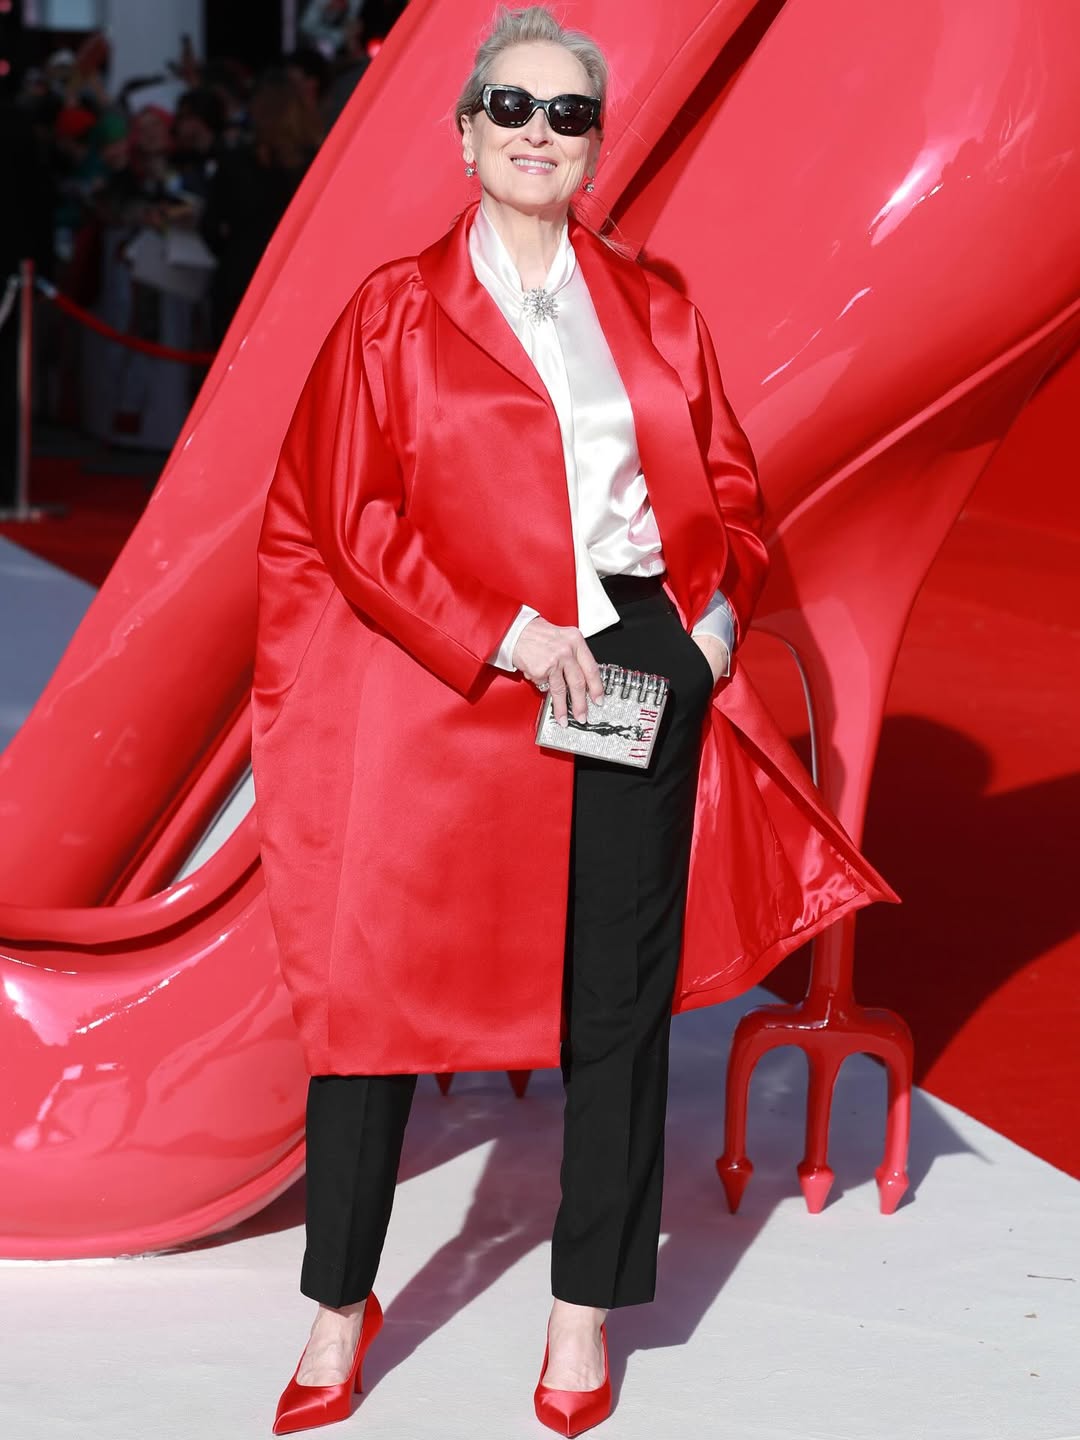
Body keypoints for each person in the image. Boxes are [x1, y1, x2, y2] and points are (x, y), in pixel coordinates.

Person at [251, 6, 897, 1435]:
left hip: (630, 666)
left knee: (616, 998)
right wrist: (507, 634)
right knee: (376, 997)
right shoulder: (392, 311)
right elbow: (350, 517)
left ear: (596, 148)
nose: (538, 132)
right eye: (512, 106)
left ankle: (583, 1305)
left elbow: (729, 491)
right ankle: (339, 1299)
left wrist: (711, 624)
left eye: (569, 114)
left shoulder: (655, 306)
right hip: (455, 680)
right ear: (465, 133)